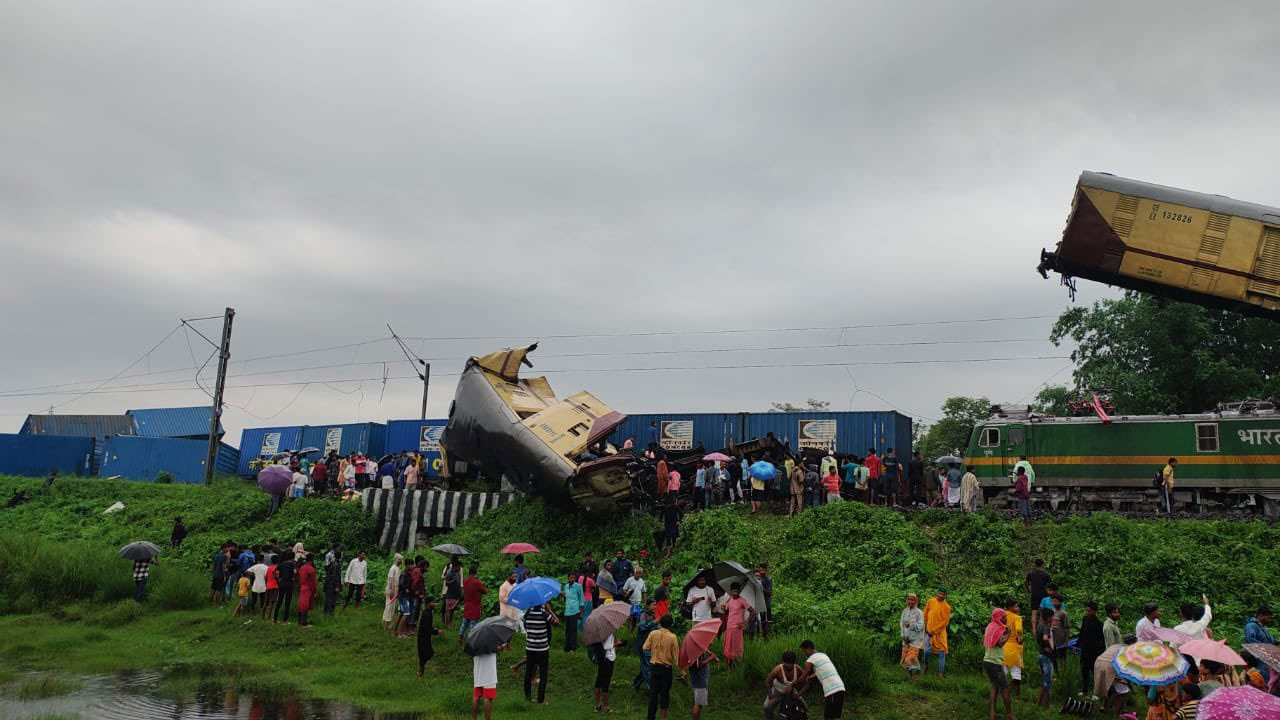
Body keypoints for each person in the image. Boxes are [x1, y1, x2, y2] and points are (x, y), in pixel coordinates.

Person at [644, 613, 679, 720]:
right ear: (671, 625)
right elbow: (676, 657)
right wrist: (682, 671)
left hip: (654, 667)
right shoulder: (673, 637)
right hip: (666, 669)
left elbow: (645, 647)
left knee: (653, 693)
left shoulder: (653, 633)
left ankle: (651, 717)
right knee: (664, 694)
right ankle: (663, 717)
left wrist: (654, 652)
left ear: (660, 623)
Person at [800, 639, 846, 719]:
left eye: (804, 651)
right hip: (839, 688)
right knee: (831, 716)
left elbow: (804, 675)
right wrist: (810, 677)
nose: (804, 653)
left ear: (808, 649)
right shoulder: (823, 655)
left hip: (833, 691)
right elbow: (820, 671)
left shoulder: (810, 660)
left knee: (828, 716)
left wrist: (792, 685)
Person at [983, 608, 1014, 720]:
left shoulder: (990, 627)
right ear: (999, 617)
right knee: (1006, 687)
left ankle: (992, 714)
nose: (1006, 618)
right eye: (1004, 617)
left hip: (987, 661)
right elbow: (1000, 643)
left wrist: (1005, 632)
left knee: (994, 687)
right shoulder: (998, 628)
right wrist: (1009, 633)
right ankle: (1010, 714)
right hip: (994, 663)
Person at [523, 602, 556, 704]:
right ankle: (540, 699)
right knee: (543, 674)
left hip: (530, 648)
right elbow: (557, 622)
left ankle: (528, 697)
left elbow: (525, 625)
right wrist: (550, 610)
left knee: (528, 673)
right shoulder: (544, 613)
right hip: (542, 649)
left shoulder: (528, 613)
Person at [721, 582, 757, 667]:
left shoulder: (742, 600)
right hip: (729, 627)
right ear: (731, 591)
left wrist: (746, 622)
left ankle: (739, 665)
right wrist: (724, 609)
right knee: (728, 646)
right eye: (734, 591)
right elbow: (728, 612)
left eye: (737, 591)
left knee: (737, 646)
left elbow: (753, 612)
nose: (735, 593)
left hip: (737, 628)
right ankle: (729, 665)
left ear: (739, 591)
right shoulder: (729, 599)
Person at [471, 642, 507, 720]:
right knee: (488, 698)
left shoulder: (475, 636)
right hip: (489, 671)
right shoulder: (491, 637)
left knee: (476, 697)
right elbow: (498, 649)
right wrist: (501, 648)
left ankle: (473, 718)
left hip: (478, 670)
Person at [764, 651, 803, 720]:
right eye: (787, 663)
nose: (789, 666)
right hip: (777, 691)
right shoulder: (777, 670)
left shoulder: (798, 669)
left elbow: (806, 683)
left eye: (791, 664)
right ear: (783, 662)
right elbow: (767, 682)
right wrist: (771, 696)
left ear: (794, 663)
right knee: (767, 706)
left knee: (803, 707)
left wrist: (798, 695)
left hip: (791, 692)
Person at [923, 587, 951, 677]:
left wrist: (934, 631)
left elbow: (945, 622)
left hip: (940, 633)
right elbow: (925, 614)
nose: (941, 595)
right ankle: (926, 666)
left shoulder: (947, 607)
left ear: (946, 596)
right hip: (929, 631)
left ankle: (940, 672)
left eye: (943, 594)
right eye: (940, 593)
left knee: (942, 652)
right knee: (926, 651)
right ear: (937, 593)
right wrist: (925, 626)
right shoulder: (930, 601)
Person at [1078, 601, 1105, 695]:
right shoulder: (1085, 619)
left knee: (1094, 672)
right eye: (1086, 611)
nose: (1087, 613)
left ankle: (1096, 692)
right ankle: (1084, 690)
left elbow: (1102, 640)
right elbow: (1081, 633)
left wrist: (1100, 652)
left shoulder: (1099, 624)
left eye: (1089, 611)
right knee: (1084, 671)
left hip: (1094, 652)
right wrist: (1077, 645)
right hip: (1084, 650)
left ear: (1095, 611)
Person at [1244, 607, 1275, 681]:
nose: (1269, 620)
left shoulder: (1263, 627)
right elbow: (1251, 641)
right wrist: (1267, 648)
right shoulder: (1251, 626)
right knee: (1260, 679)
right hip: (1258, 659)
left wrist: (1276, 642)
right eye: (1268, 618)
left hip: (1266, 659)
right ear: (1261, 615)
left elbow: (1268, 641)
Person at [900, 593, 926, 679]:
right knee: (907, 660)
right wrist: (903, 635)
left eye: (912, 600)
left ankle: (916, 674)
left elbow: (921, 626)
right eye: (909, 599)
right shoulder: (905, 611)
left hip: (915, 640)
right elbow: (901, 624)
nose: (910, 601)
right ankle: (913, 676)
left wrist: (911, 625)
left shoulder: (919, 613)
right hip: (906, 639)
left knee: (909, 659)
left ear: (915, 601)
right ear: (907, 600)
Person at [417, 594, 443, 681]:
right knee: (425, 655)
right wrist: (436, 632)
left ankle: (421, 672)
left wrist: (433, 629)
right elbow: (426, 628)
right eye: (433, 602)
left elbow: (427, 626)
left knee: (426, 654)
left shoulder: (427, 612)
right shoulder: (427, 614)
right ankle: (421, 672)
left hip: (425, 637)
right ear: (428, 603)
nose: (435, 604)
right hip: (423, 638)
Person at [688, 646, 718, 720]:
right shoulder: (697, 649)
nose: (711, 643)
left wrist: (712, 655)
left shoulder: (699, 647)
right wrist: (711, 658)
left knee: (698, 703)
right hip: (699, 678)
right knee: (699, 703)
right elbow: (699, 664)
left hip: (697, 677)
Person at [592, 629, 617, 714]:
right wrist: (614, 643)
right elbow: (607, 646)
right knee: (606, 682)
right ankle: (605, 707)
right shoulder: (607, 631)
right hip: (608, 658)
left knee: (599, 680)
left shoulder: (597, 631)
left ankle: (596, 705)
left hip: (601, 658)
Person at [1003, 600, 1025, 698]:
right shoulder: (1017, 618)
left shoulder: (1003, 615)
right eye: (1016, 607)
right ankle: (1016, 696)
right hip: (1014, 648)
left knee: (1003, 672)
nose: (1018, 608)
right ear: (1010, 607)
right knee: (1016, 673)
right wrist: (1020, 638)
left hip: (1003, 647)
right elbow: (1019, 629)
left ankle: (1001, 692)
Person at [458, 564, 486, 640]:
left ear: (469, 572)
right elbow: (485, 591)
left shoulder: (465, 581)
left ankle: (460, 638)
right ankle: (471, 640)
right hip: (475, 607)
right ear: (475, 572)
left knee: (464, 624)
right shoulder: (477, 582)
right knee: (473, 625)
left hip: (467, 605)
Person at [1036, 608, 1054, 707]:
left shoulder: (1039, 625)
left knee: (1044, 680)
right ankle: (1046, 705)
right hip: (1046, 656)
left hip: (1040, 654)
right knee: (1047, 681)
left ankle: (1038, 703)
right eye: (1052, 617)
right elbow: (1045, 638)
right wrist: (1049, 647)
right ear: (1048, 617)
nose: (1052, 618)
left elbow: (1039, 640)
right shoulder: (1046, 626)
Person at [1025, 560, 1050, 633]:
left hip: (1034, 594)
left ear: (1035, 565)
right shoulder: (1046, 575)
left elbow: (1025, 582)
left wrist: (1028, 589)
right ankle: (1044, 628)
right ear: (1042, 565)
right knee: (1044, 612)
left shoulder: (1031, 574)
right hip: (1044, 595)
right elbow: (1049, 586)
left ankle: (1034, 629)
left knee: (1034, 612)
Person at [273, 552, 296, 624]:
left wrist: (278, 579)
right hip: (289, 583)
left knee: (279, 600)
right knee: (287, 602)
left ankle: (275, 620)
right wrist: (293, 578)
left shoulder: (282, 563)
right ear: (293, 557)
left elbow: (274, 571)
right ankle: (285, 621)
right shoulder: (293, 564)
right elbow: (295, 572)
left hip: (282, 583)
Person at [563, 571, 584, 652]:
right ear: (568, 578)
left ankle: (573, 647)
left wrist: (581, 611)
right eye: (571, 577)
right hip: (567, 610)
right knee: (567, 630)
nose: (572, 579)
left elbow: (581, 599)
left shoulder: (578, 586)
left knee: (573, 630)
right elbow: (566, 599)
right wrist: (563, 596)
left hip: (575, 610)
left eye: (574, 578)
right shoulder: (566, 586)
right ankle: (567, 647)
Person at [383, 553, 404, 630]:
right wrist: (391, 590)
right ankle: (385, 624)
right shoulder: (393, 568)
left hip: (395, 590)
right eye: (399, 559)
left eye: (401, 560)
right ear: (396, 559)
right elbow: (390, 579)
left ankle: (387, 623)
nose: (401, 561)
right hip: (391, 590)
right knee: (389, 606)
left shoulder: (398, 568)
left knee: (392, 607)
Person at [297, 555, 317, 627]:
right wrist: (314, 591)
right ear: (312, 560)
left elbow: (299, 578)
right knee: (305, 605)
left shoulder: (302, 567)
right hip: (308, 587)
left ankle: (299, 621)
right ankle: (304, 623)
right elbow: (313, 581)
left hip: (302, 586)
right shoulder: (311, 569)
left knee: (301, 604)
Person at [755, 564, 773, 639]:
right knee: (757, 622)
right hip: (757, 604)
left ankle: (766, 640)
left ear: (766, 571)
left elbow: (770, 593)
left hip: (766, 604)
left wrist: (761, 587)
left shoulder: (768, 579)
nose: (762, 572)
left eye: (764, 570)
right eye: (761, 570)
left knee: (765, 623)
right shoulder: (756, 578)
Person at [443, 560, 463, 628]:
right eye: (459, 567)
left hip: (456, 594)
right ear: (455, 566)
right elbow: (446, 583)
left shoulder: (458, 574)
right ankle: (447, 624)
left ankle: (450, 623)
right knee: (448, 610)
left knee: (452, 610)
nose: (460, 568)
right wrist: (452, 581)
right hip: (450, 594)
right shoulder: (450, 573)